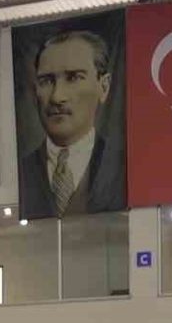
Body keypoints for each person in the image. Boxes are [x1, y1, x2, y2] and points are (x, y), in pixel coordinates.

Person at [18, 30, 124, 219]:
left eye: (74, 78)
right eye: (46, 81)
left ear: (104, 86)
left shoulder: (125, 169)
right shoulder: (18, 174)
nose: (57, 97)